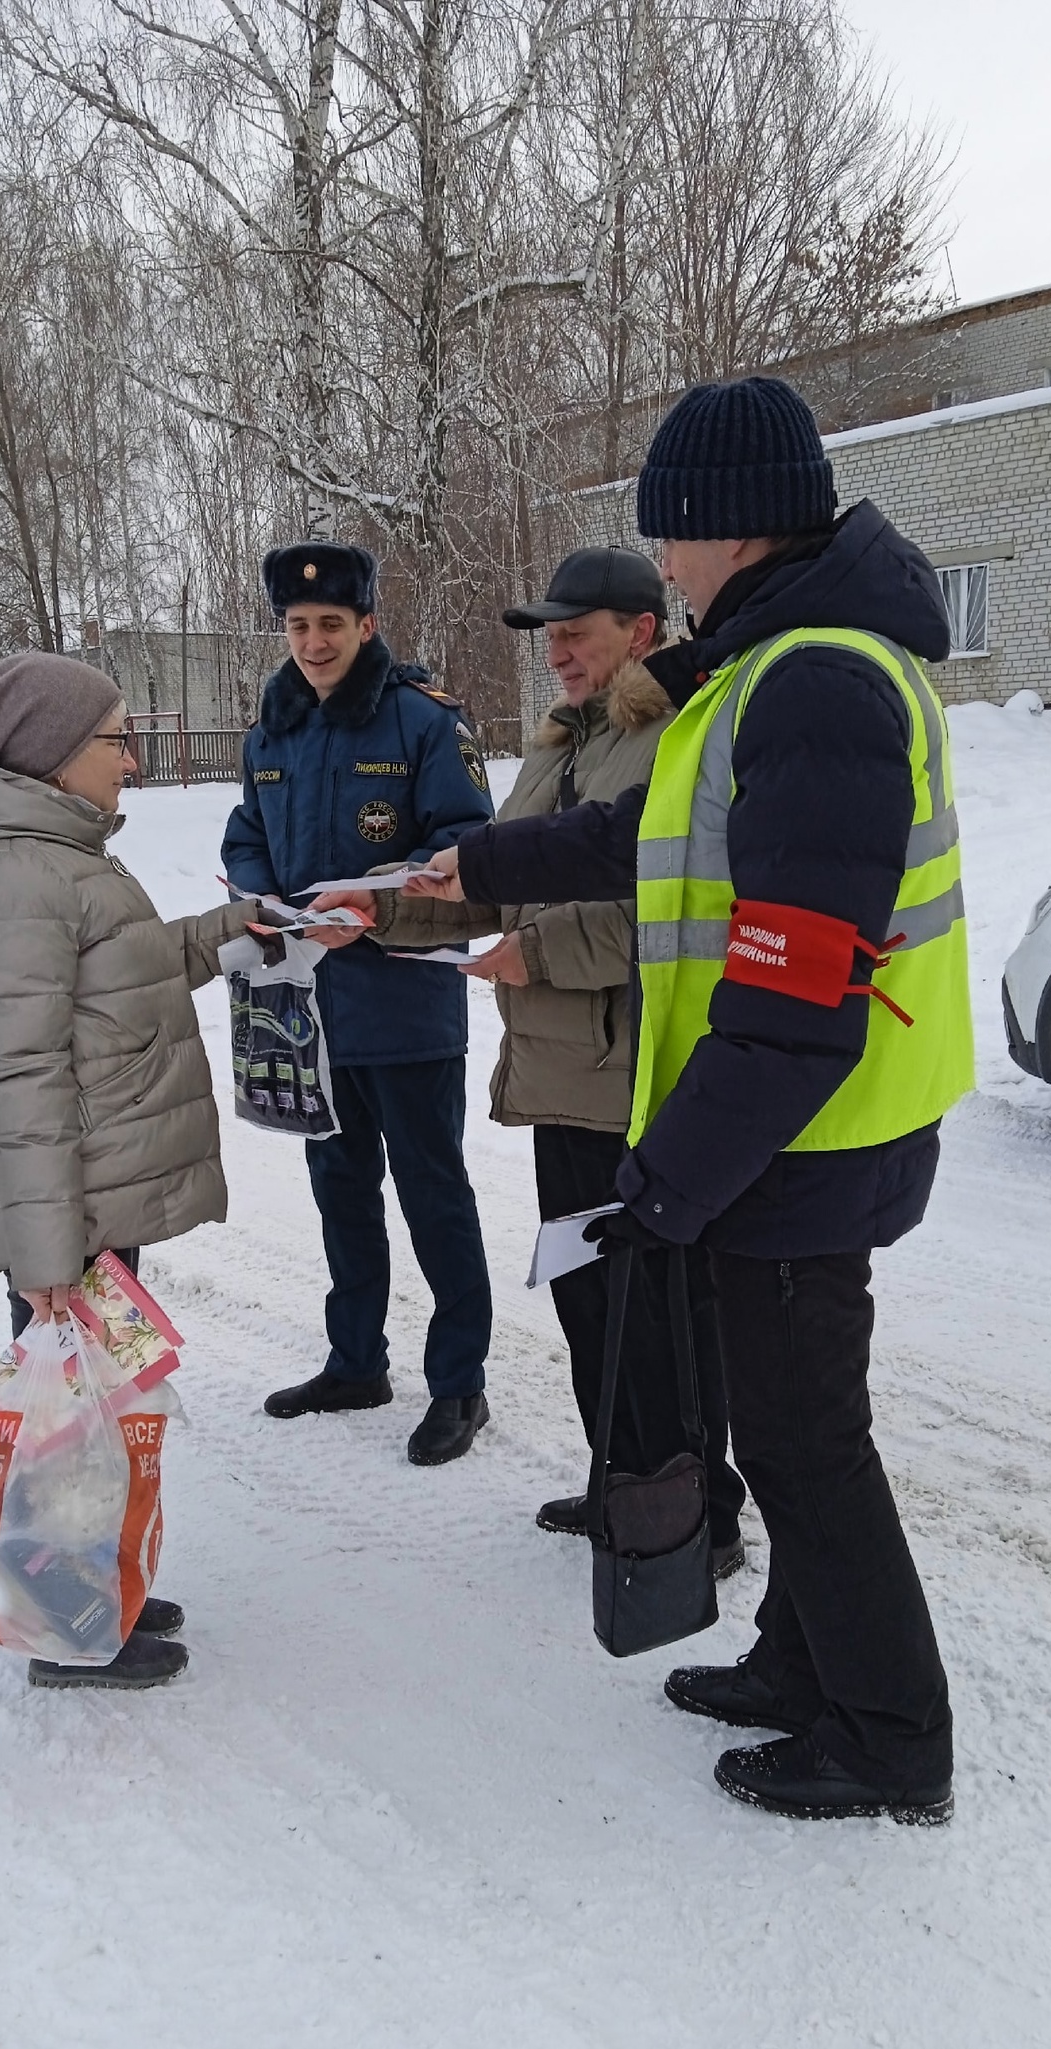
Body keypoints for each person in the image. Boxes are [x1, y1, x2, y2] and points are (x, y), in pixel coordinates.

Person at [407, 377, 974, 1825]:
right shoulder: (773, 671)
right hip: (792, 1144)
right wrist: (478, 865)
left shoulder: (821, 684)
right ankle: (801, 1662)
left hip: (806, 1143)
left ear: (730, 525)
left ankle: (892, 1737)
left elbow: (796, 1003)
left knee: (803, 1442)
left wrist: (668, 1189)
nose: (665, 565)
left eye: (676, 537)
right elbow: (646, 837)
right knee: (789, 1430)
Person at [332, 547, 747, 1572]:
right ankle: (625, 1480)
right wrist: (380, 911)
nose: (555, 651)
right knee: (588, 1296)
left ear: (642, 631)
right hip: (560, 1076)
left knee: (660, 1313)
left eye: (576, 631)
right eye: (548, 635)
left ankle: (697, 1515)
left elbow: (679, 907)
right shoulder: (567, 742)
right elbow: (495, 879)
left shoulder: (673, 742)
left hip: (637, 1078)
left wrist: (540, 951)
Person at [0, 650, 257, 1692]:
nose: (134, 760)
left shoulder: (50, 856)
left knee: (99, 1403)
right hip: (70, 1209)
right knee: (71, 1417)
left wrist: (239, 929)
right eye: (117, 739)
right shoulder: (12, 876)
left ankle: (101, 1580)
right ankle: (66, 1619)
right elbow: (20, 1074)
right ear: (54, 757)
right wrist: (46, 1256)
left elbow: (119, 974)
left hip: (91, 1195)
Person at [222, 542, 496, 1466]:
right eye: (298, 626)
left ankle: (460, 1385)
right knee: (340, 1194)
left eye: (331, 624)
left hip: (408, 1005)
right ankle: (356, 1361)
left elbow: (469, 847)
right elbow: (247, 836)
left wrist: (375, 908)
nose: (313, 642)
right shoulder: (273, 730)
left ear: (367, 624)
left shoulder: (422, 724)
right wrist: (265, 906)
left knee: (434, 1199)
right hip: (311, 1008)